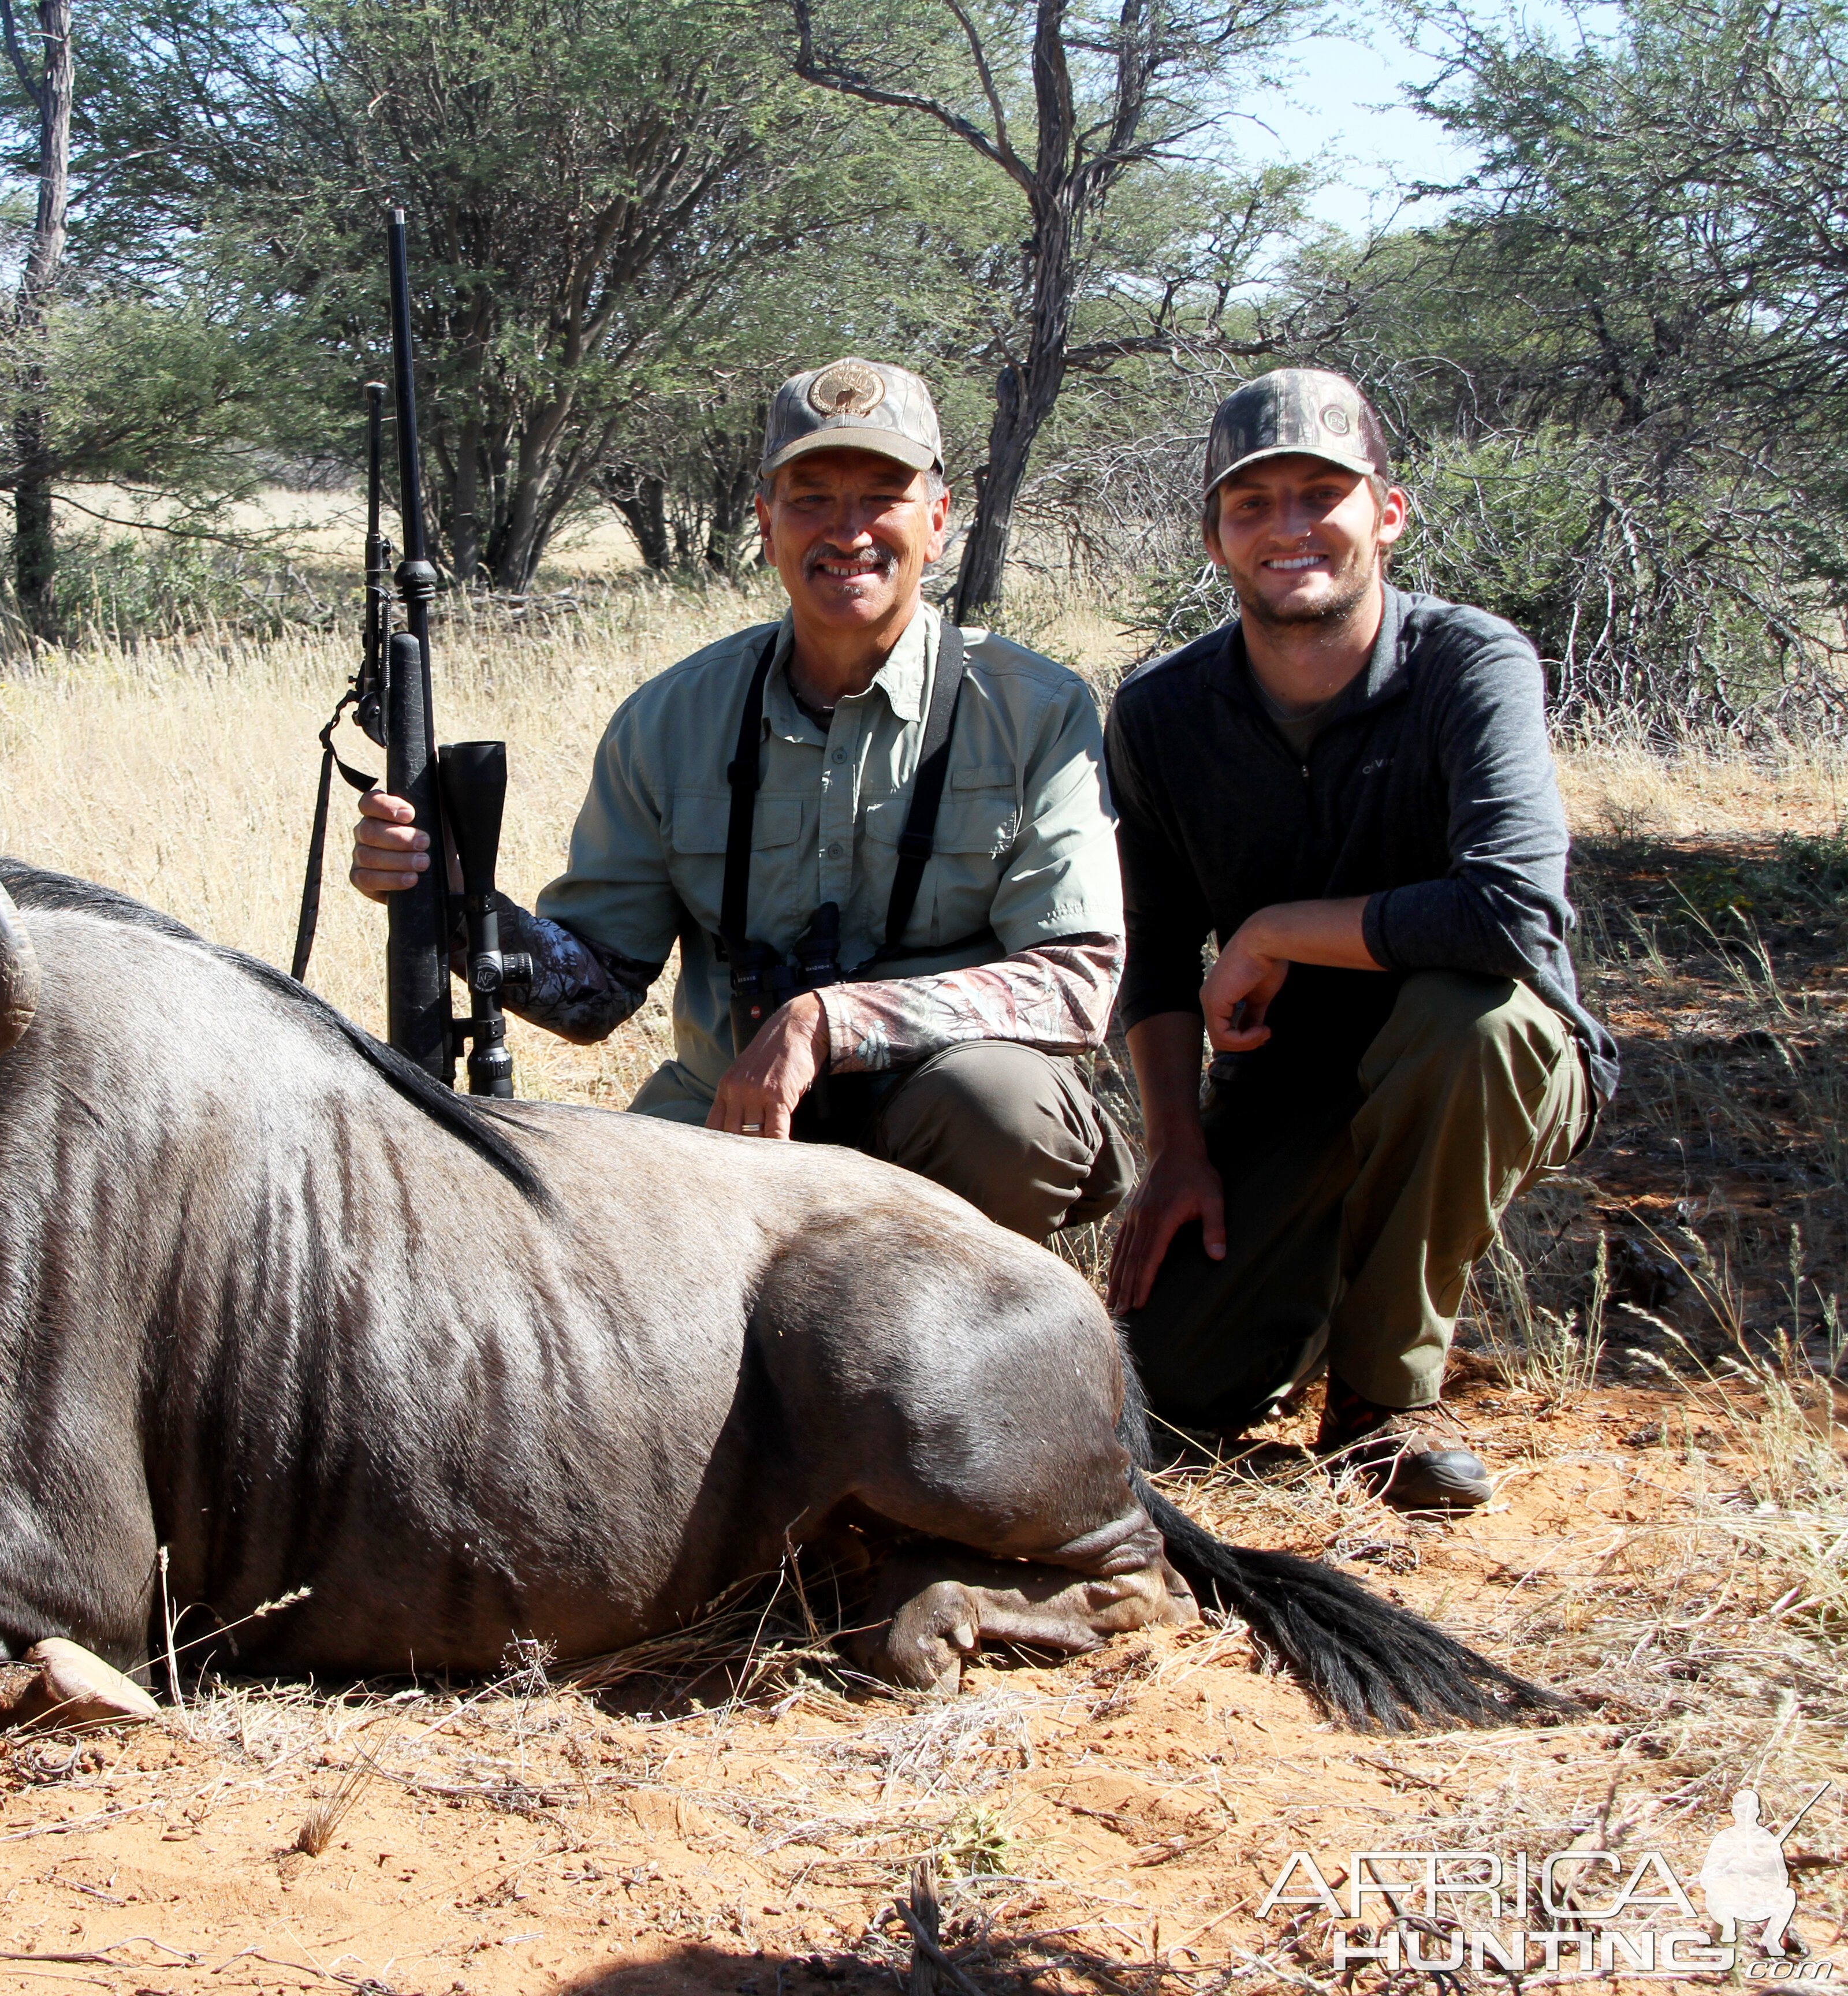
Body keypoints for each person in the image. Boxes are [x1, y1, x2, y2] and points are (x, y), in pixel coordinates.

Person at [349, 356, 1127, 1243]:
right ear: (765, 522)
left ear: (940, 520)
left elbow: (1074, 985)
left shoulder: (1037, 708)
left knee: (1003, 1109)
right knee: (564, 1250)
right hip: (728, 1124)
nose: (848, 530)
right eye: (810, 499)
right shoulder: (671, 716)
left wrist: (830, 1020)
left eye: (882, 495)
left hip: (937, 1122)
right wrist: (450, 897)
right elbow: (596, 992)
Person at [1104, 367, 1617, 1510]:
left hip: (1491, 1057)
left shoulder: (1472, 665)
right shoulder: (1160, 713)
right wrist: (1180, 1148)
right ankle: (1330, 1280)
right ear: (1214, 539)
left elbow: (1511, 915)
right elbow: (1154, 955)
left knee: (1459, 1023)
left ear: (1387, 512)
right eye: (1254, 505)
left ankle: (1383, 1404)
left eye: (1321, 494)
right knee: (1172, 1390)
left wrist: (1282, 929)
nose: (1290, 528)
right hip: (1292, 1084)